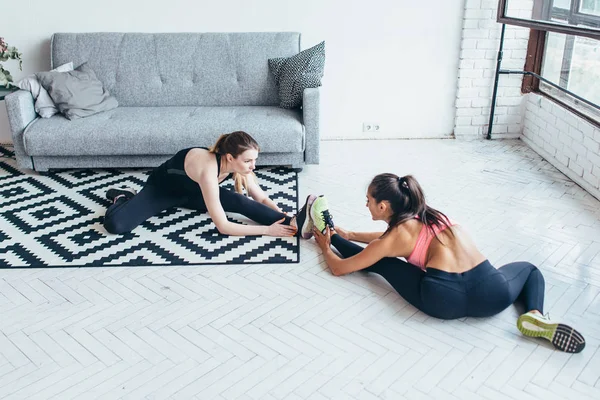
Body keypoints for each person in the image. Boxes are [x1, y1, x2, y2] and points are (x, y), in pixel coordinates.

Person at [309, 173, 585, 353]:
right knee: (530, 270)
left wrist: (325, 247)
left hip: (443, 298)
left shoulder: (391, 241)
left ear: (383, 207)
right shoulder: (431, 216)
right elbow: (391, 238)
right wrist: (351, 233)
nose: (365, 205)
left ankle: (326, 233)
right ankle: (535, 315)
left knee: (381, 262)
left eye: (368, 201)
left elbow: (339, 268)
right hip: (492, 294)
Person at [103, 131, 313, 238]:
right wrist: (267, 231)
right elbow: (223, 227)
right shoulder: (207, 168)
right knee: (116, 225)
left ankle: (300, 223)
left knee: (241, 201)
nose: (253, 166)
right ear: (230, 157)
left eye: (254, 160)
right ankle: (123, 197)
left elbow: (261, 198)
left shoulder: (241, 168)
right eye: (248, 161)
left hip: (195, 193)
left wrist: (282, 216)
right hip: (163, 191)